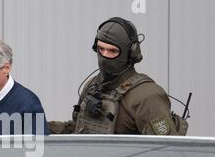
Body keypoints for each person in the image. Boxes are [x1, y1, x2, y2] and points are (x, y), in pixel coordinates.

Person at [49, 17, 187, 135]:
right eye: (101, 49)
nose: (105, 57)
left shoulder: (147, 97)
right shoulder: (93, 85)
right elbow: (77, 129)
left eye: (113, 51)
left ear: (131, 53)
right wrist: (37, 126)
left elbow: (164, 151)